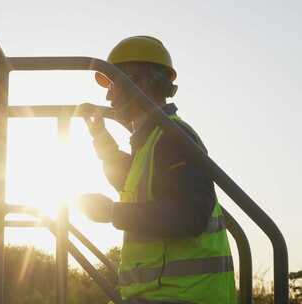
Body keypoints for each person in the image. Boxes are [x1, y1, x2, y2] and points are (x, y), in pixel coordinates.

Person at [78, 36, 236, 304]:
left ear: (140, 83)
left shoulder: (173, 137)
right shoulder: (153, 139)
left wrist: (112, 212)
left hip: (185, 296)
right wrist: (99, 135)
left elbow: (190, 216)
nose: (107, 95)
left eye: (113, 84)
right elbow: (128, 180)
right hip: (165, 294)